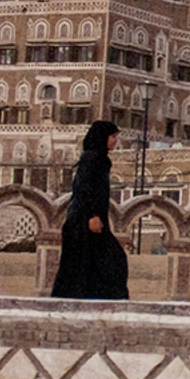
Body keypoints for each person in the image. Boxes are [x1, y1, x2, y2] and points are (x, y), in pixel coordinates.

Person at [50, 120, 129, 300]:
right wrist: (92, 215)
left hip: (90, 221)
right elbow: (83, 188)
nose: (115, 141)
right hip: (83, 222)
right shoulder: (93, 158)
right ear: (102, 137)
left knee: (95, 264)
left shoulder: (98, 158)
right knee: (92, 263)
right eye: (113, 137)